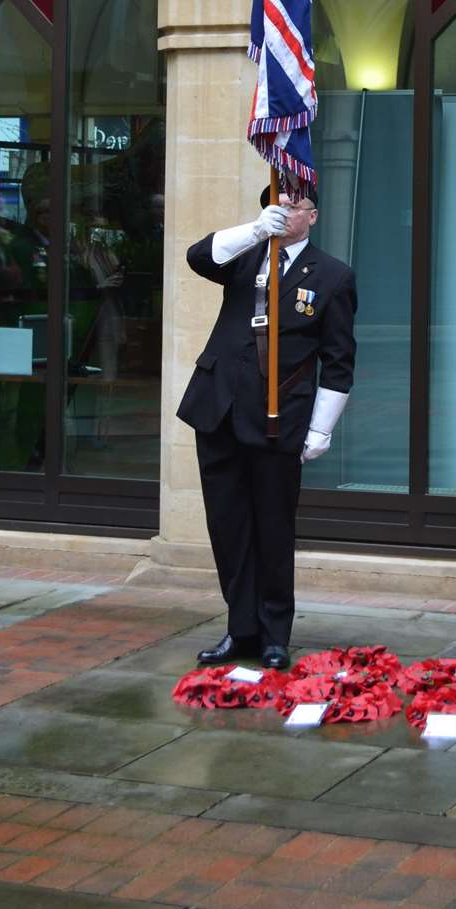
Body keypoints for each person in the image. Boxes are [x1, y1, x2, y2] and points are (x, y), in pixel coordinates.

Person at [178, 186, 357, 670]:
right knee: (229, 526)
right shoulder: (246, 252)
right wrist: (257, 229)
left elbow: (339, 362)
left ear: (313, 216)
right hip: (217, 408)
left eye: (292, 206)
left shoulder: (333, 276)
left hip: (280, 418)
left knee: (273, 527)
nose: (282, 213)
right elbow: (198, 257)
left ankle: (276, 633)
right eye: (275, 206)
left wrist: (321, 429)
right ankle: (241, 630)